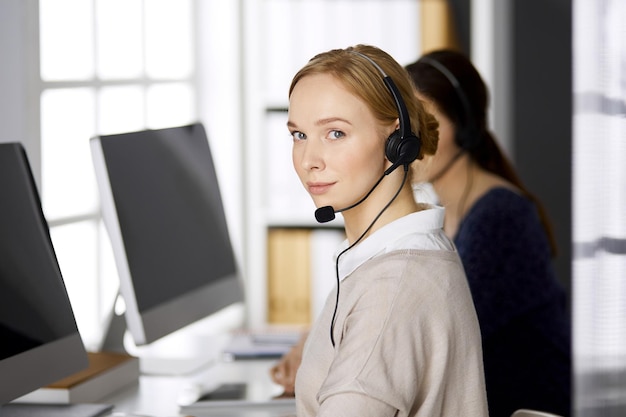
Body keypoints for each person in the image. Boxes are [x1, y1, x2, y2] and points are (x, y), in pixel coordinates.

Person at [283, 44, 488, 417]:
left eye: (335, 133)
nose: (309, 161)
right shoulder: (399, 256)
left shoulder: (393, 288)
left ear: (398, 142)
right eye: (299, 135)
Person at [405, 49, 571, 417]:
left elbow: (441, 335)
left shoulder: (499, 215)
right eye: (405, 122)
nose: (414, 139)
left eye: (428, 122)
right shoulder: (445, 214)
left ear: (464, 128)